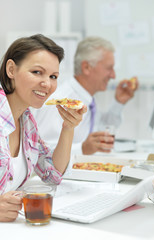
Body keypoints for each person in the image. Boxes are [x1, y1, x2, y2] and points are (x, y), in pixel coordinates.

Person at [0, 34, 87, 222]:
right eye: (37, 72)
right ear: (11, 69)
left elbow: (52, 175)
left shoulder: (27, 120)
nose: (47, 84)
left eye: (53, 76)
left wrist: (68, 127)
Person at [32, 36, 138, 155]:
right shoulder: (60, 102)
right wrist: (82, 149)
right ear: (86, 67)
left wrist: (119, 103)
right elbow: (41, 151)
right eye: (109, 68)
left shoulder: (86, 98)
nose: (113, 75)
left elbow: (102, 129)